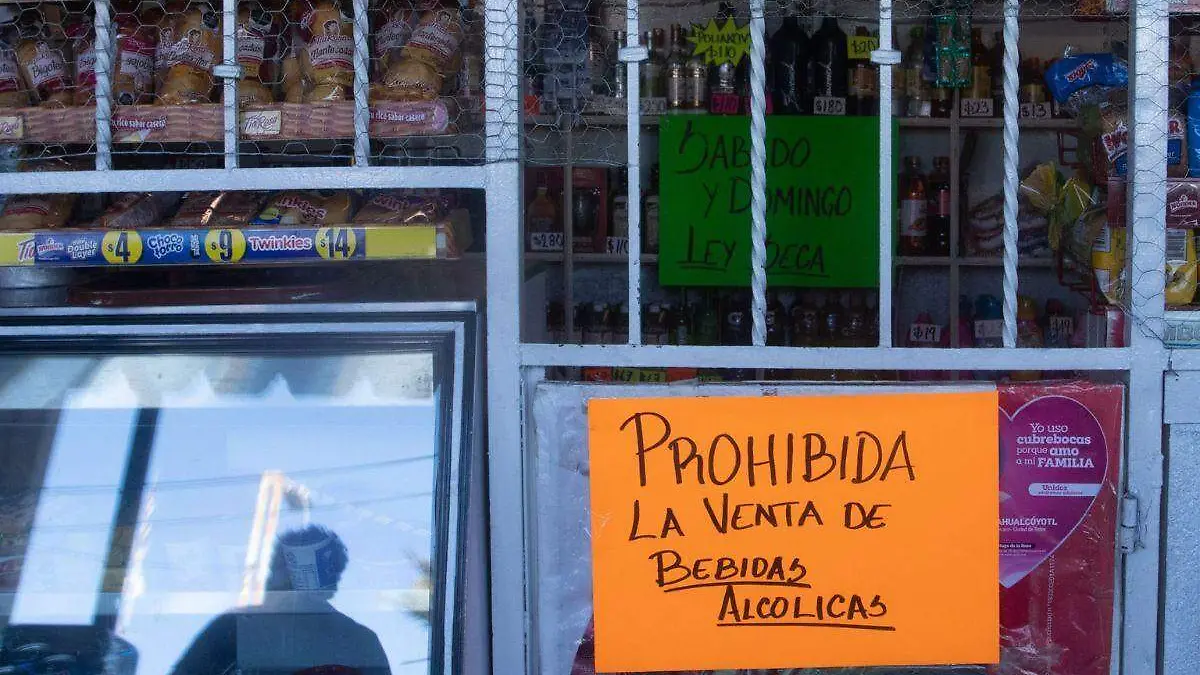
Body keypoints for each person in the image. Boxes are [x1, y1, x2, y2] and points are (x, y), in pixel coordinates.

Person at [170, 525, 392, 675]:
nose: (285, 580)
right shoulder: (235, 628)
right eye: (281, 567)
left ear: (330, 582)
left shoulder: (361, 643)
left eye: (298, 572)